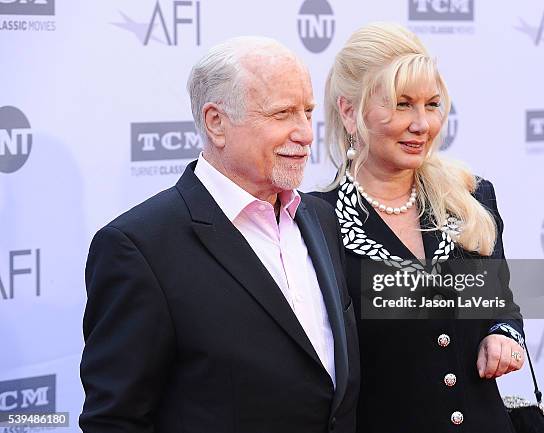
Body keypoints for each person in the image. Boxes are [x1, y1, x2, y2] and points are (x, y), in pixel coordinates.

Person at [79, 37, 359, 433]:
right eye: (282, 114)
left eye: (307, 112)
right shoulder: (139, 247)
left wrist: (482, 324)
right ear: (216, 122)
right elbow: (115, 420)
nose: (306, 133)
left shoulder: (319, 218)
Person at [314, 22, 525, 432]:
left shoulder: (471, 199)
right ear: (348, 111)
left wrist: (504, 336)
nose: (422, 124)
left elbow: (500, 304)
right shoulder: (316, 222)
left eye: (431, 104)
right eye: (401, 104)